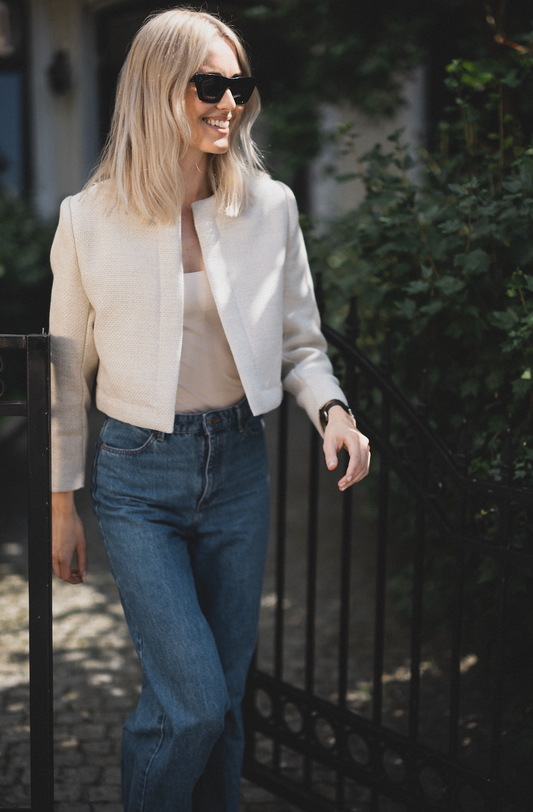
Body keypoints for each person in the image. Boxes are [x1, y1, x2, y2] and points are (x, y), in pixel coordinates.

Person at [49, 8, 370, 812]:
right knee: (189, 702)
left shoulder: (271, 208)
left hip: (237, 469)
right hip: (134, 477)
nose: (229, 100)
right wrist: (62, 503)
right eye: (209, 84)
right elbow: (63, 374)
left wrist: (331, 410)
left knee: (222, 708)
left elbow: (301, 341)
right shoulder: (88, 220)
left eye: (238, 84)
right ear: (158, 90)